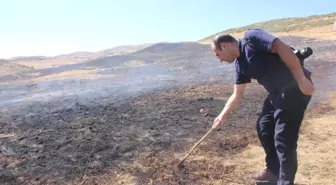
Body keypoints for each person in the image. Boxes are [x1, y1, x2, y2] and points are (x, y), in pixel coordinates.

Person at [210, 29, 314, 185]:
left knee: (283, 139)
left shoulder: (251, 38)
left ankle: (285, 181)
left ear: (224, 46)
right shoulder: (240, 65)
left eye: (217, 54)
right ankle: (273, 172)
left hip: (294, 89)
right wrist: (221, 116)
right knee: (264, 126)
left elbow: (281, 47)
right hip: (276, 94)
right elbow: (237, 95)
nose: (219, 60)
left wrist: (301, 79)